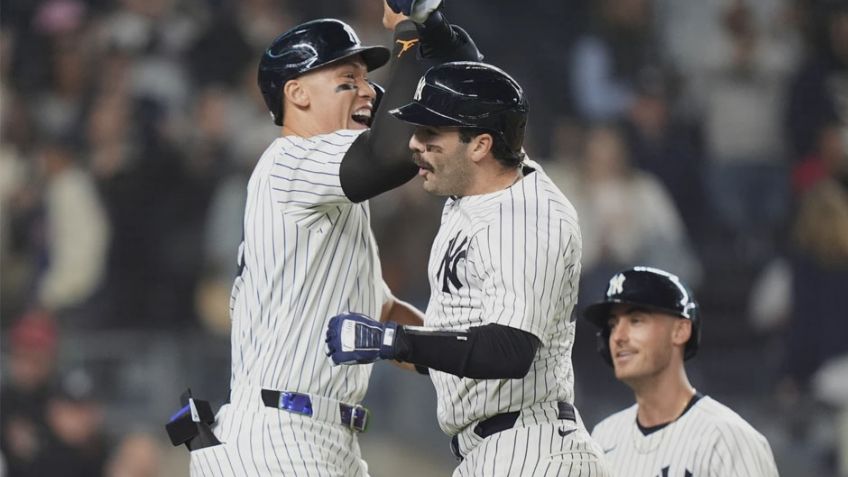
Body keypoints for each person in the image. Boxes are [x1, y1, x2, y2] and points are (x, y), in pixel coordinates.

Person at [175, 1, 483, 476]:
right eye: (348, 81)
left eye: (367, 79)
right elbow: (391, 153)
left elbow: (386, 319)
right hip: (277, 439)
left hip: (319, 441)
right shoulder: (288, 161)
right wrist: (405, 31)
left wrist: (435, 31)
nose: (368, 91)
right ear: (296, 94)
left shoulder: (334, 206)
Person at [326, 61, 610, 476]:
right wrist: (387, 324)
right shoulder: (475, 195)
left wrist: (393, 340)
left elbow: (508, 350)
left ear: (479, 145)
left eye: (430, 133)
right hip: (494, 452)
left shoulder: (525, 217)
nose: (414, 144)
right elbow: (463, 349)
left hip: (533, 451)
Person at [581, 266, 779, 476]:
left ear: (680, 331)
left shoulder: (728, 439)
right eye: (613, 324)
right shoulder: (604, 437)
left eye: (635, 320)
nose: (618, 336)